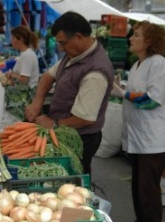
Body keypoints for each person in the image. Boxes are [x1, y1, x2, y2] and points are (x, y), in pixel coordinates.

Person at [25, 11, 114, 175]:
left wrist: (54, 124)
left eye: (63, 43)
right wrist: (37, 102)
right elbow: (47, 76)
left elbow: (85, 118)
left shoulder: (96, 72)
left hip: (80, 138)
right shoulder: (74, 54)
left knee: (75, 179)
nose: (60, 47)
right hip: (63, 130)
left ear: (79, 37)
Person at [112, 21, 165, 222]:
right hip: (139, 137)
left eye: (137, 35)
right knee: (139, 189)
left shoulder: (158, 63)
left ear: (149, 40)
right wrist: (122, 89)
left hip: (154, 139)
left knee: (147, 190)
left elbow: (151, 100)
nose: (131, 38)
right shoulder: (137, 65)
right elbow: (135, 94)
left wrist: (122, 94)